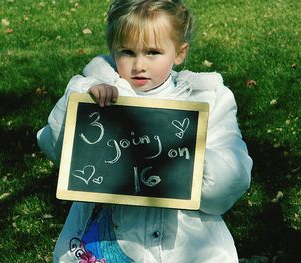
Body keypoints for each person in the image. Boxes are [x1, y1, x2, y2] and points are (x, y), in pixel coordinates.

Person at [37, 0, 253, 262]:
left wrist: (190, 158)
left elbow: (232, 181)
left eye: (152, 52)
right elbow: (54, 144)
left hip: (186, 248)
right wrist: (82, 101)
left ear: (179, 52)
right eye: (127, 52)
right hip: (107, 242)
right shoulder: (99, 91)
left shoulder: (207, 99)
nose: (139, 64)